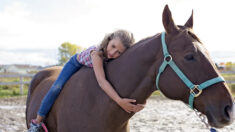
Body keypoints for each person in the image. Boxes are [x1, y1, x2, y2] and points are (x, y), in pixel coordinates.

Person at [28, 29, 145, 132]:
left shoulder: (112, 58)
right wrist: (119, 100)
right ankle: (37, 121)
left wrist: (142, 100)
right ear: (109, 40)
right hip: (76, 63)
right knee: (56, 87)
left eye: (119, 52)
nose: (113, 53)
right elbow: (102, 81)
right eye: (113, 46)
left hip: (91, 67)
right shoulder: (97, 54)